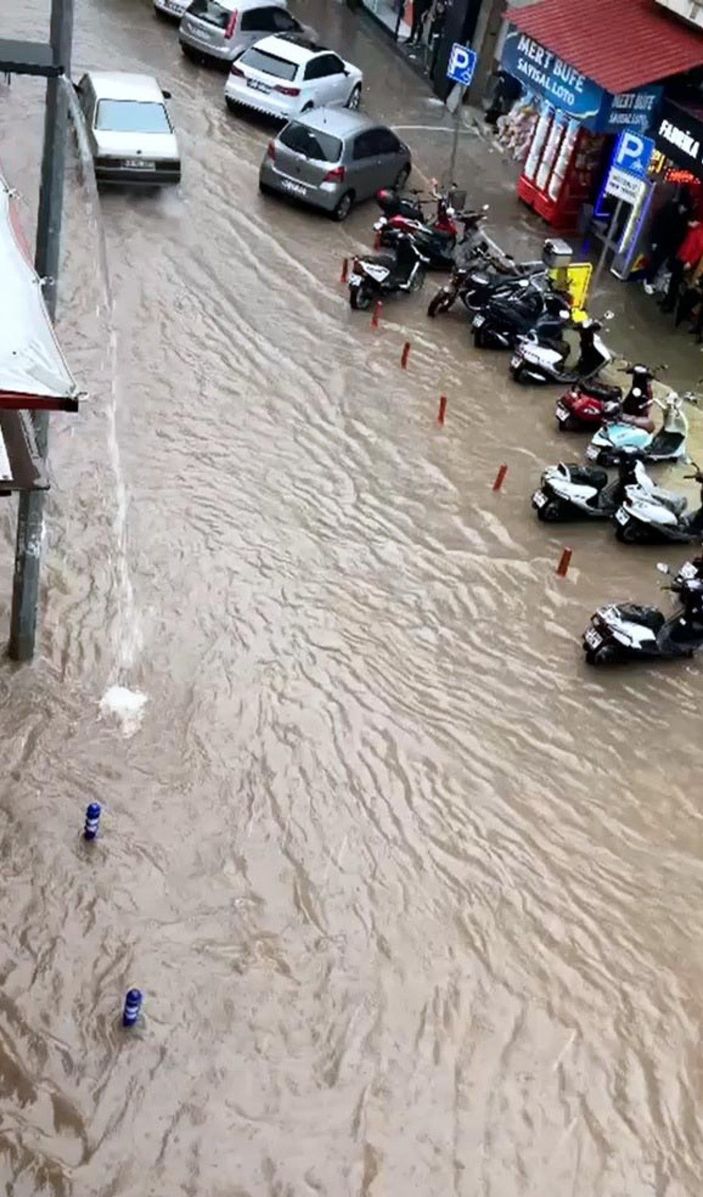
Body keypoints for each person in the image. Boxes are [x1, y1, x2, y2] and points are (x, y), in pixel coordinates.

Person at [643, 192, 693, 295]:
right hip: (662, 242)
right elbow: (657, 225)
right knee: (655, 262)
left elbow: (680, 235)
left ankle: (649, 279)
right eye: (683, 207)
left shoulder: (681, 216)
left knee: (658, 263)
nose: (683, 209)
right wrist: (654, 240)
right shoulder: (669, 211)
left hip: (668, 246)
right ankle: (647, 280)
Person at [660, 217, 703, 313]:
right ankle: (667, 301)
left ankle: (670, 304)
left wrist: (690, 262)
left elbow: (699, 251)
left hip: (685, 259)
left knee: (674, 283)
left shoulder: (700, 230)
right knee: (673, 281)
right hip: (682, 255)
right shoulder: (699, 227)